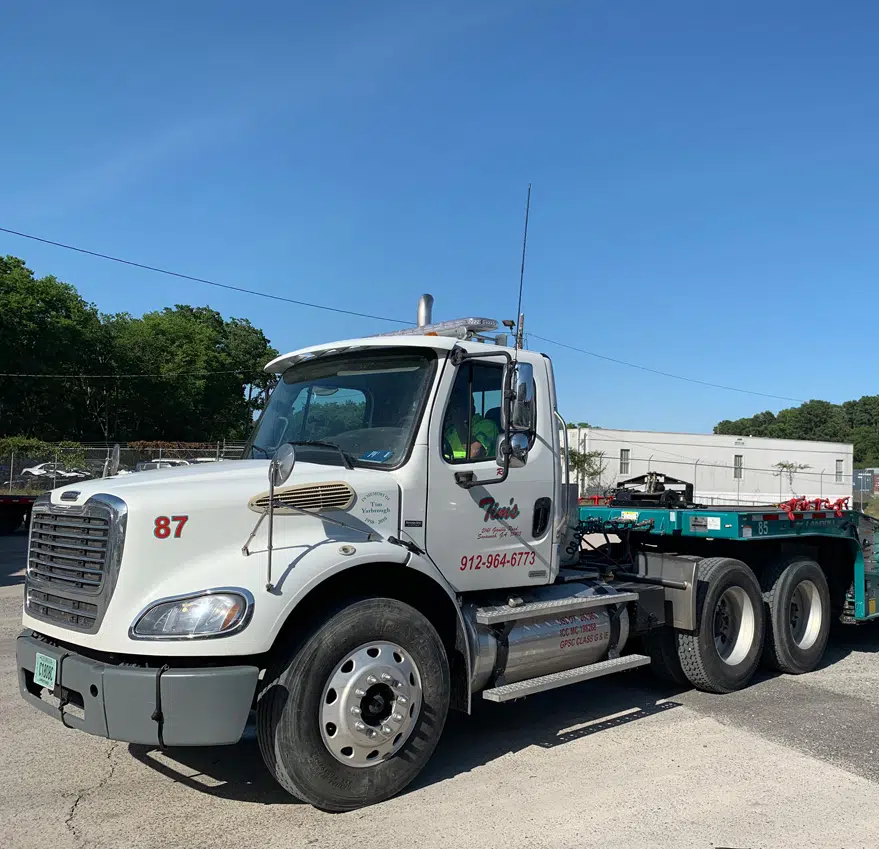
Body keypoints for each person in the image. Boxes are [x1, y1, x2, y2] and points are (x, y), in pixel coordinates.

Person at [443, 381, 499, 461]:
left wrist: (459, 422)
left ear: (470, 405)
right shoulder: (450, 430)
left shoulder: (487, 425)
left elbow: (474, 453)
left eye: (456, 406)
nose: (451, 410)